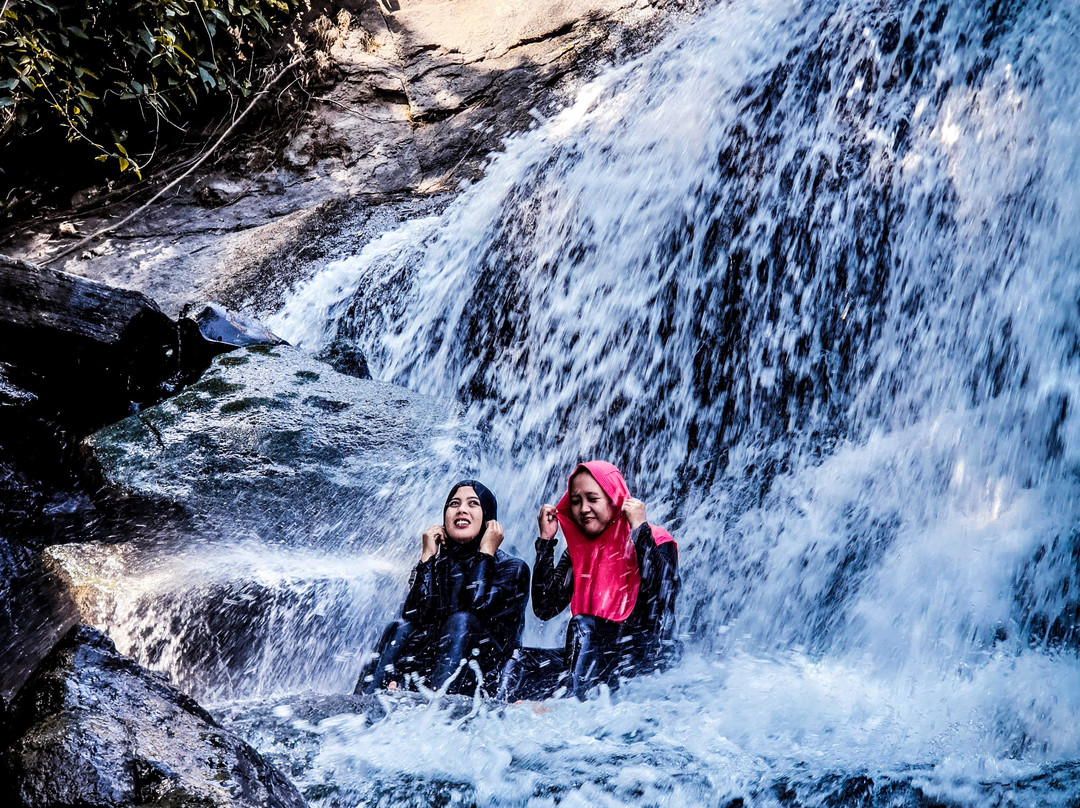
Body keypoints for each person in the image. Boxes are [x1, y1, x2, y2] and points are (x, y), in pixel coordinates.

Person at [498, 460, 679, 701]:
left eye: (593, 499)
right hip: (593, 658)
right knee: (520, 660)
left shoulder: (655, 538)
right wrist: (545, 543)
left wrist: (639, 529)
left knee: (581, 626)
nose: (583, 509)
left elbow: (664, 592)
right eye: (576, 501)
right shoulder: (579, 551)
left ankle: (568, 710)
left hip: (643, 658)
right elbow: (545, 607)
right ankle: (501, 711)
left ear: (615, 499)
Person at [355, 480, 530, 696]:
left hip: (487, 677)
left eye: (473, 503)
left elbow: (477, 607)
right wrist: (427, 558)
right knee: (399, 627)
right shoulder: (437, 566)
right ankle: (364, 702)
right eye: (454, 504)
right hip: (437, 668)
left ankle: (438, 707)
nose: (461, 509)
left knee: (461, 621)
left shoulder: (513, 568)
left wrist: (485, 553)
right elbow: (414, 616)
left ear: (489, 520)